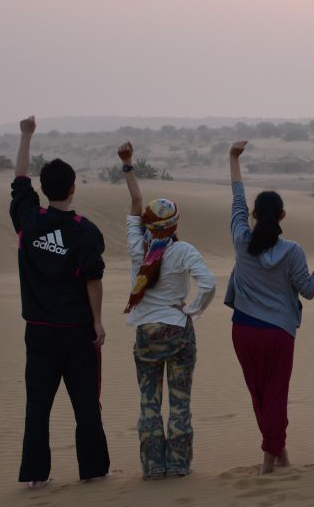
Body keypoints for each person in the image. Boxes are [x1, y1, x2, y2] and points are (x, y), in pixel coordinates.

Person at [10, 116, 110, 489]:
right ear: (72, 188)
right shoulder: (85, 231)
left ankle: (36, 477)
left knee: (38, 405)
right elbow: (93, 278)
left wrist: (25, 135)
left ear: (44, 189)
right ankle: (94, 471)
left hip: (38, 332)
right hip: (76, 333)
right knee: (86, 403)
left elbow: (19, 180)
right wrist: (97, 322)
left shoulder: (28, 220)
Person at [225, 141, 314, 474]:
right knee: (275, 395)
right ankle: (269, 461)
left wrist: (233, 158)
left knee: (259, 394)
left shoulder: (242, 239)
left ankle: (277, 452)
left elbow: (237, 198)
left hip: (243, 330)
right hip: (278, 333)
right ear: (283, 216)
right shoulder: (293, 251)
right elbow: (310, 291)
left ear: (255, 216)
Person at [118, 142, 216, 479]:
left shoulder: (137, 248)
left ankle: (152, 467)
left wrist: (128, 165)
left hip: (145, 333)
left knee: (148, 402)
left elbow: (134, 203)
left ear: (147, 225)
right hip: (177, 333)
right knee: (179, 402)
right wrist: (191, 309)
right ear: (175, 225)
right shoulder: (185, 251)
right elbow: (209, 283)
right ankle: (178, 465)